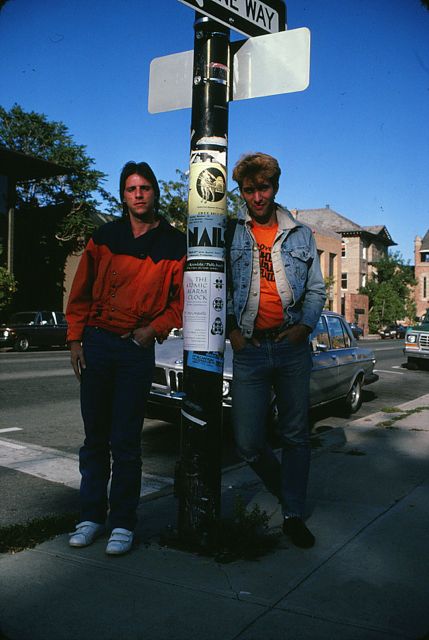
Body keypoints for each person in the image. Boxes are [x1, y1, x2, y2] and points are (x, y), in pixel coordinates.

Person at [66, 161, 186, 555]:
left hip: (135, 348)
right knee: (95, 439)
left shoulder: (173, 243)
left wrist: (152, 331)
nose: (138, 194)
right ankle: (90, 518)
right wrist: (75, 340)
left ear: (155, 193)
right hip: (97, 344)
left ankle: (122, 523)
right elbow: (80, 293)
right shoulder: (104, 237)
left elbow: (180, 303)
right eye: (131, 188)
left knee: (126, 441)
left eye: (145, 188)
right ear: (123, 195)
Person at [226, 153, 326, 548]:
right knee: (248, 441)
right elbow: (222, 288)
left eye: (263, 188)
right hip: (250, 349)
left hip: (290, 348)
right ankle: (287, 493)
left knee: (295, 435)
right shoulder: (233, 233)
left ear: (275, 187)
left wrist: (303, 327)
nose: (257, 197)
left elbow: (317, 288)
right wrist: (232, 330)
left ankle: (293, 513)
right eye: (249, 190)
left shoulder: (300, 234)